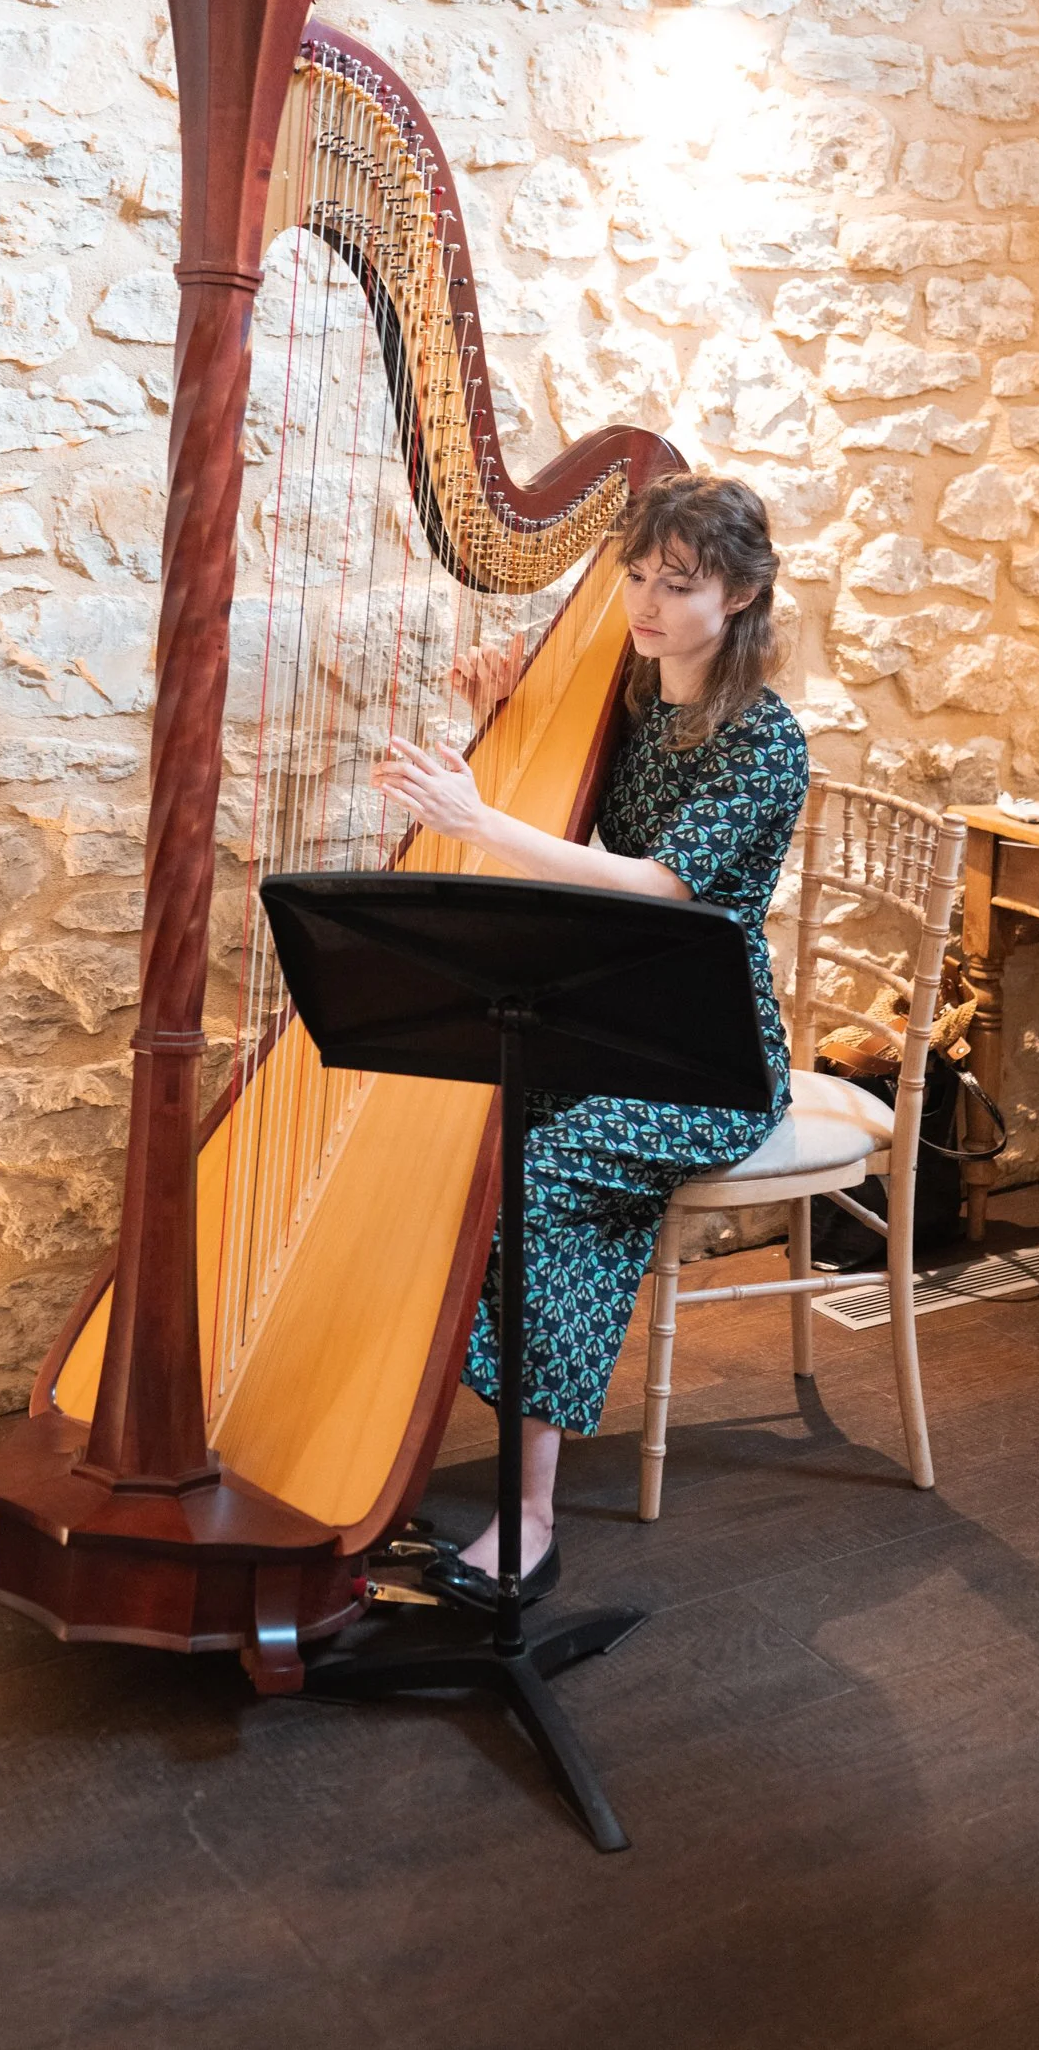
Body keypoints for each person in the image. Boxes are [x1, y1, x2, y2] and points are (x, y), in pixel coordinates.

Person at [371, 471, 808, 1610]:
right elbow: (560, 781)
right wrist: (506, 707)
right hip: (603, 1015)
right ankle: (377, 1454)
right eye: (632, 574)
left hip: (706, 1051)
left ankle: (530, 1516)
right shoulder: (618, 689)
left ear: (742, 592)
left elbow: (664, 888)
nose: (644, 602)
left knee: (543, 1174)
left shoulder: (763, 740)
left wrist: (478, 821)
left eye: (677, 583)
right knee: (446, 1131)